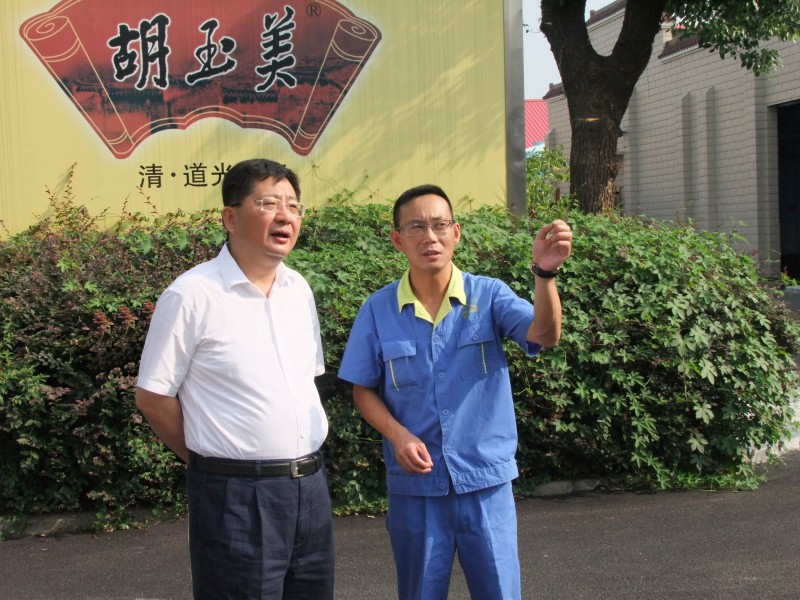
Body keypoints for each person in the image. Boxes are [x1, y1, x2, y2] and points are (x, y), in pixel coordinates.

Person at [338, 184, 572, 600]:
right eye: (416, 227)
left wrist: (545, 275)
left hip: (486, 483)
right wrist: (398, 435)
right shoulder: (378, 309)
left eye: (440, 225)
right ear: (396, 239)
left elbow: (545, 335)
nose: (430, 236)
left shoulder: (490, 295)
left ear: (456, 233)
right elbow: (363, 390)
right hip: (417, 489)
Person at [135, 158, 334, 600]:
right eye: (269, 203)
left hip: (310, 488)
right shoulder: (192, 295)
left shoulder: (298, 290)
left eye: (293, 206)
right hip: (235, 497)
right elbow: (153, 397)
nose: (285, 216)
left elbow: (306, 380)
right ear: (230, 217)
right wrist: (212, 461)